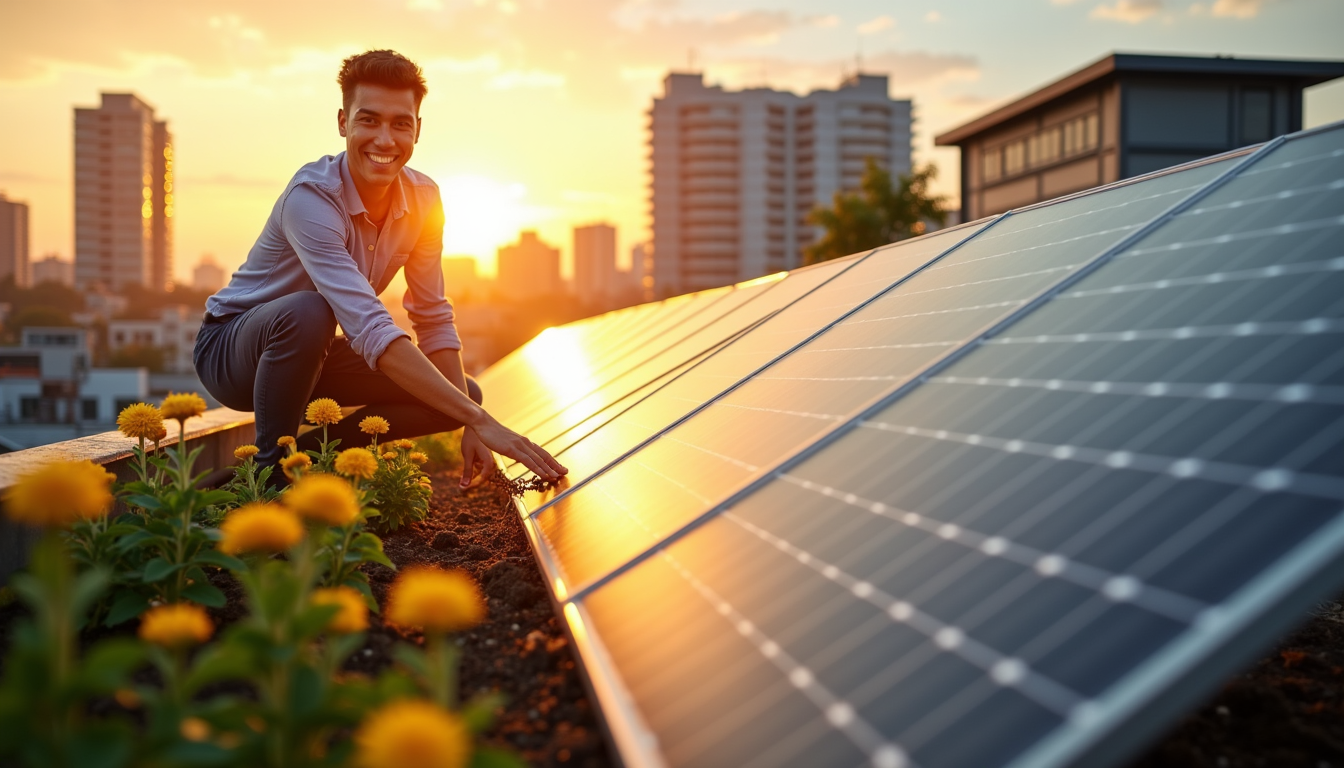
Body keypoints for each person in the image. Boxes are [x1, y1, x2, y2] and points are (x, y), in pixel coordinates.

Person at [194, 49, 566, 488]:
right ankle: (268, 480)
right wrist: (483, 420)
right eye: (368, 120)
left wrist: (471, 419)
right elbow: (368, 325)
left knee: (458, 394)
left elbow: (432, 315)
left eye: (400, 123)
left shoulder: (426, 200)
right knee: (308, 311)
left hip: (312, 354)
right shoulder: (312, 199)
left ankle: (283, 469)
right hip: (233, 352)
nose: (385, 140)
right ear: (342, 123)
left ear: (418, 129)